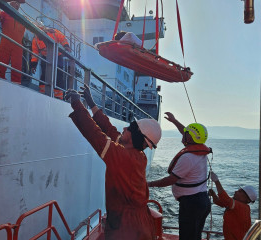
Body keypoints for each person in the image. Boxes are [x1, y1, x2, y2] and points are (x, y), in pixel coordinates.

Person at [65, 84, 162, 240]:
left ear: (136, 137)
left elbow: (95, 134)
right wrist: (90, 103)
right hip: (136, 222)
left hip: (128, 228)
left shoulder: (124, 157)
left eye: (129, 128)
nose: (124, 129)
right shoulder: (136, 154)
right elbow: (109, 130)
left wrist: (77, 103)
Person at [148, 112, 212, 240]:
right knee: (194, 236)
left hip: (192, 204)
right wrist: (174, 120)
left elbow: (171, 179)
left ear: (189, 138)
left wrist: (149, 184)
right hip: (200, 201)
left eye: (186, 134)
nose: (183, 134)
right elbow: (187, 133)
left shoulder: (188, 157)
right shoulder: (198, 149)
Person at [208, 171, 257, 240]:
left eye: (240, 192)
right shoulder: (238, 205)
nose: (235, 192)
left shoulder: (242, 207)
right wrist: (214, 195)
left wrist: (216, 181)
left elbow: (226, 199)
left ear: (247, 199)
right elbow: (222, 203)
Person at [31, 23, 70, 99]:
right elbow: (35, 53)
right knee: (44, 75)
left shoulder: (53, 32)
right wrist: (33, 65)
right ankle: (43, 93)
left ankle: (58, 96)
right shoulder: (35, 40)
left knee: (58, 75)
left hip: (58, 56)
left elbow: (62, 38)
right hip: (45, 57)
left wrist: (66, 46)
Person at [0, 1, 26, 84]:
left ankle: (16, 83)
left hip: (17, 45)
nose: (17, 5)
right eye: (15, 2)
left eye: (19, 3)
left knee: (17, 65)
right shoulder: (4, 14)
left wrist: (45, 30)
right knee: (2, 61)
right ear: (10, 3)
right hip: (6, 41)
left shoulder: (22, 18)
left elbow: (34, 26)